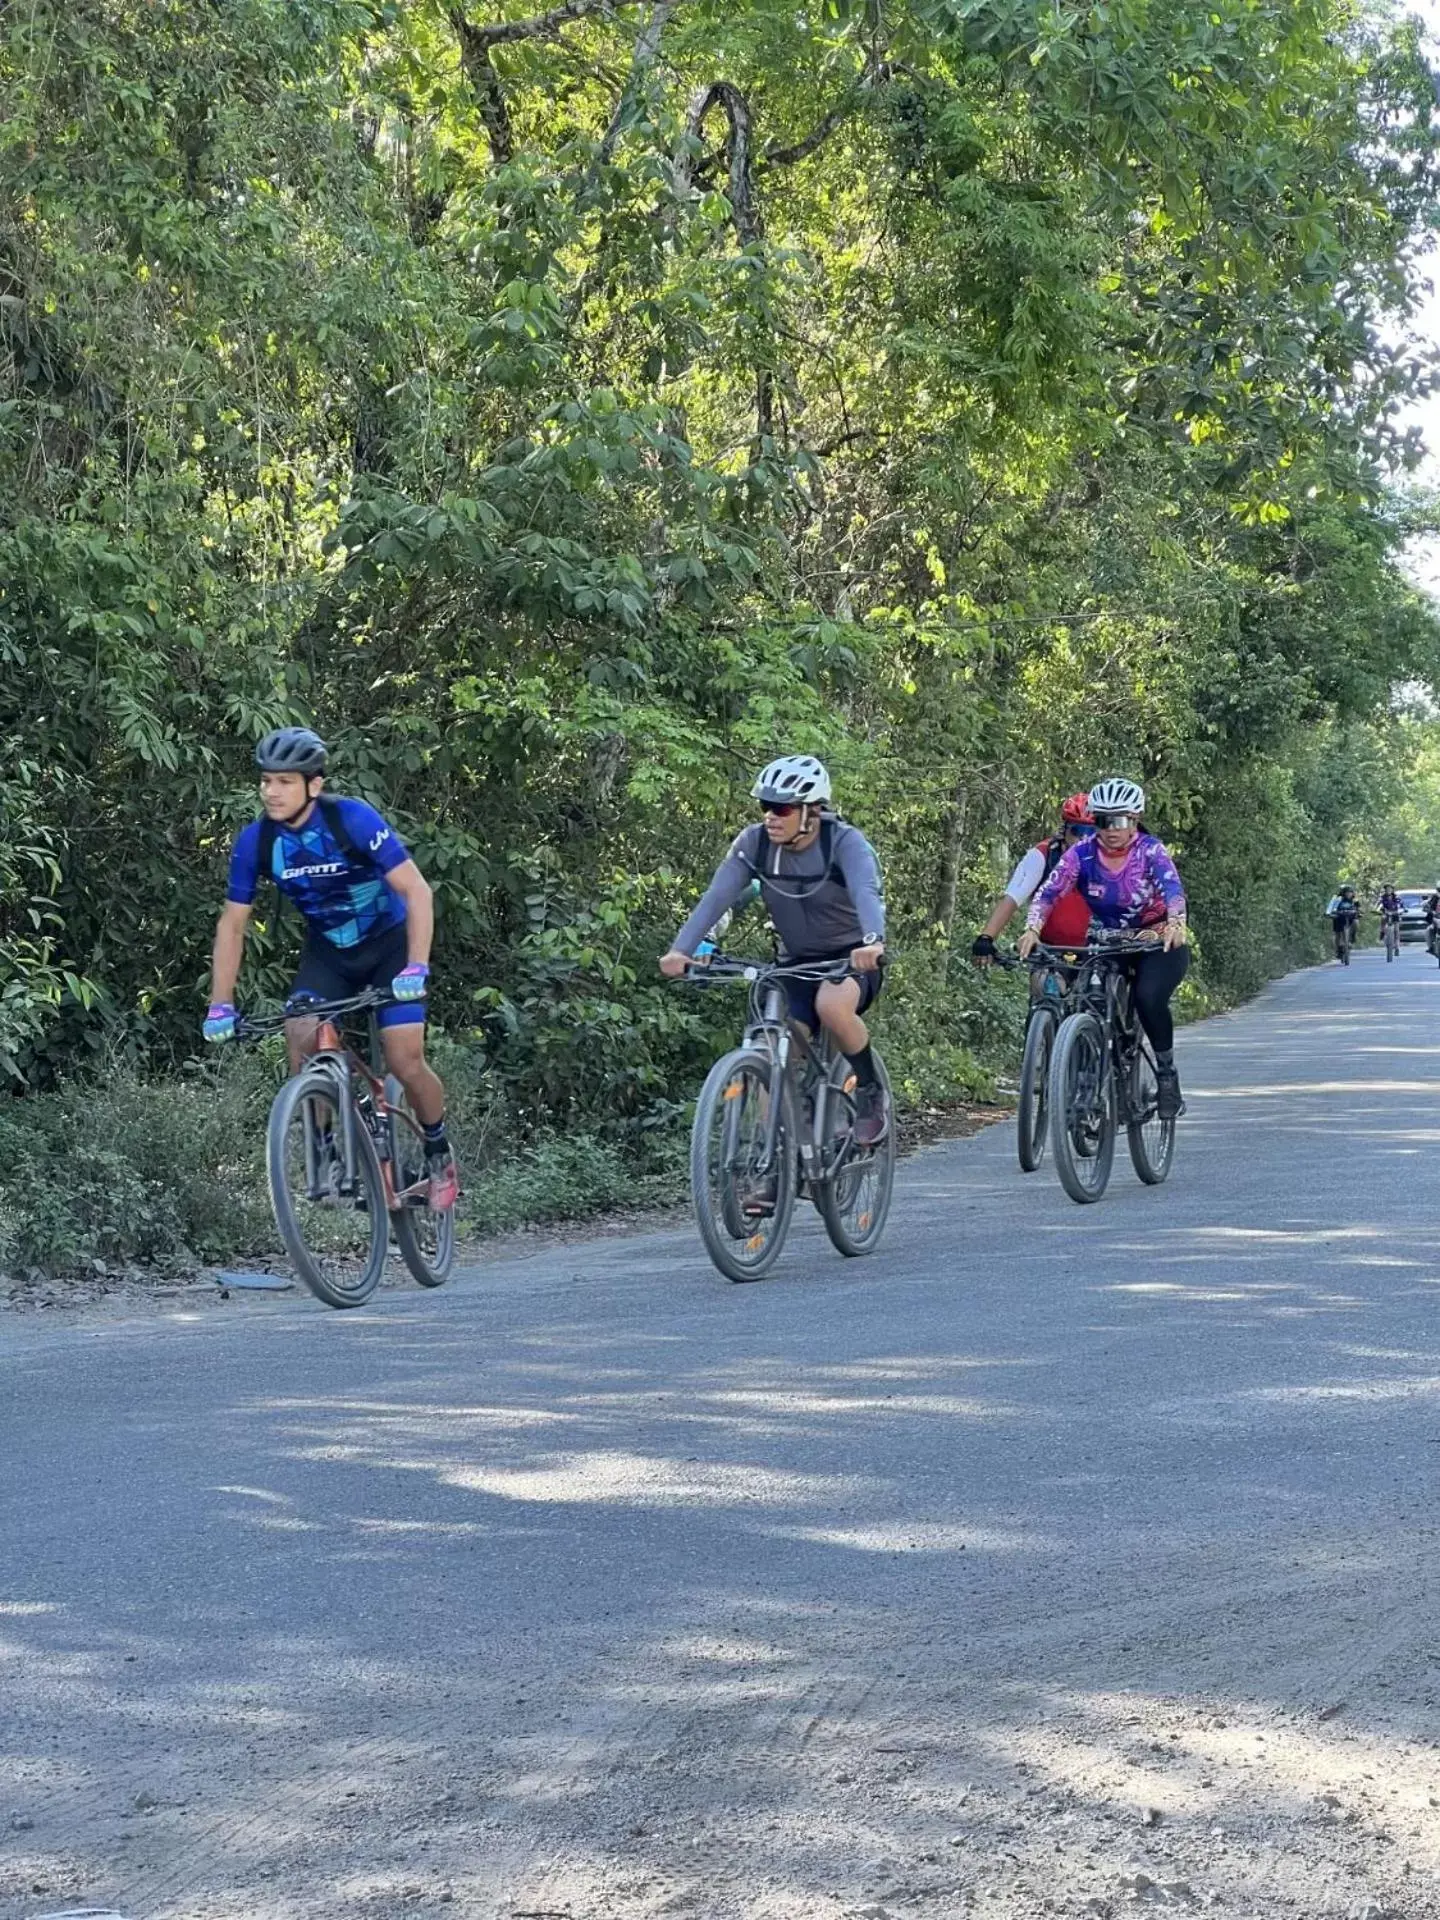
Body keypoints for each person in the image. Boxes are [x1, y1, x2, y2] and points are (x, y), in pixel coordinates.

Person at [203, 727, 458, 1209]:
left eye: (283, 781)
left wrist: (417, 967)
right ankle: (328, 1151)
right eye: (265, 781)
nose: (270, 791)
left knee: (404, 1058)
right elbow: (233, 926)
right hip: (330, 954)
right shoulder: (257, 841)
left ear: (313, 785)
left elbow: (417, 891)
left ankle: (437, 1148)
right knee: (301, 1030)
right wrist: (220, 1004)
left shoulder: (352, 820)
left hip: (389, 947)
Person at [658, 754, 889, 1147]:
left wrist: (872, 942)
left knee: (831, 1008)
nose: (771, 817)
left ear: (812, 811)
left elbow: (867, 892)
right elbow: (717, 898)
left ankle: (870, 1091)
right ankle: (772, 1165)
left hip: (848, 959)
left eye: (781, 808)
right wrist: (682, 949)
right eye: (765, 806)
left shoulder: (845, 843)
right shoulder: (754, 844)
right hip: (793, 964)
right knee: (768, 1051)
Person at [1017, 776, 1189, 1119]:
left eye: (1120, 821)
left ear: (1134, 821)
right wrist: (1032, 928)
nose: (1111, 830)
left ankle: (1167, 1074)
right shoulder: (1081, 854)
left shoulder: (1150, 850)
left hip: (1154, 940)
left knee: (1147, 997)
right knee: (1086, 995)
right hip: (1106, 940)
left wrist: (1176, 923)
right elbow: (1049, 892)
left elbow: (1172, 889)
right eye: (1103, 821)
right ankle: (1086, 1069)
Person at [972, 793, 1095, 968]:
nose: (1083, 839)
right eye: (1077, 831)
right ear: (1065, 830)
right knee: (1043, 987)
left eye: (1092, 832)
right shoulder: (1044, 854)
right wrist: (986, 937)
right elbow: (1013, 896)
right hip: (1049, 948)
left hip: (1099, 949)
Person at [1325, 885, 1359, 962]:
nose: (1348, 894)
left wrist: (1358, 912)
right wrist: (1328, 913)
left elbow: (1358, 908)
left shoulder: (1354, 900)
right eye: (1347, 892)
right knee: (1337, 934)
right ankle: (1338, 949)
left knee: (1356, 922)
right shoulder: (1337, 898)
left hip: (1350, 917)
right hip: (1338, 917)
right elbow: (1330, 906)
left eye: (1350, 892)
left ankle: (1352, 937)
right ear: (1343, 893)